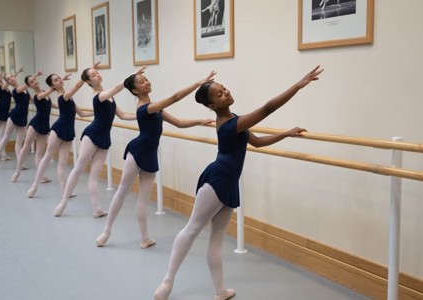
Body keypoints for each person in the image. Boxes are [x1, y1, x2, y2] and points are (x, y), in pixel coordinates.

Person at [154, 65, 324, 300]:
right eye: (219, 93)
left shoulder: (234, 119)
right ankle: (167, 282)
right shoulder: (228, 125)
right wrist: (297, 85)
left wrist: (285, 134)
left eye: (223, 88)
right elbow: (267, 108)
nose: (225, 92)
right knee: (193, 228)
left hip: (230, 183)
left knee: (216, 239)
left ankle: (220, 291)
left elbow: (257, 143)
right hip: (216, 180)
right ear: (212, 105)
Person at [95, 70, 215, 249]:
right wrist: (198, 83)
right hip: (137, 151)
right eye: (141, 82)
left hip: (150, 153)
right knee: (122, 190)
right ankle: (106, 231)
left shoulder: (155, 107)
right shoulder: (145, 108)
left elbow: (178, 123)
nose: (146, 82)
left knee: (143, 198)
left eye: (146, 79)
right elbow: (174, 97)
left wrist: (199, 121)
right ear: (135, 90)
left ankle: (144, 238)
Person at [53, 64, 143, 217]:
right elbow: (116, 88)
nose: (97, 75)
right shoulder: (99, 95)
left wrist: (141, 115)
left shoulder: (109, 97)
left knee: (94, 175)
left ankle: (97, 209)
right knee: (79, 168)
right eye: (93, 75)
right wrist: (131, 78)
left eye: (97, 73)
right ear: (89, 82)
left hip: (104, 138)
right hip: (92, 135)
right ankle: (63, 202)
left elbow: (122, 116)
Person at [26, 71, 94, 198]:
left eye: (59, 78)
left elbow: (82, 114)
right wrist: (85, 77)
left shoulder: (68, 97)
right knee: (47, 157)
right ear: (53, 86)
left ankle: (65, 192)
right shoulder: (63, 96)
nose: (60, 80)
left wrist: (98, 113)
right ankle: (34, 186)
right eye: (56, 80)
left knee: (62, 163)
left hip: (68, 131)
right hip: (58, 129)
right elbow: (77, 87)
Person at [11, 72, 57, 183]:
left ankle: (40, 176)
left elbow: (52, 105)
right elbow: (46, 93)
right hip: (35, 124)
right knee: (26, 146)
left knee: (40, 153)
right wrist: (54, 86)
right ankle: (17, 171)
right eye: (31, 82)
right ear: (30, 86)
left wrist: (66, 107)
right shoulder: (37, 96)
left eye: (35, 80)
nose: (34, 82)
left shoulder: (45, 94)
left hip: (45, 125)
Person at [0, 68, 31, 170]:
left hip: (23, 117)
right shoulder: (16, 90)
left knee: (19, 142)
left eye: (11, 76)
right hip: (14, 115)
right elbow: (28, 83)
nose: (11, 79)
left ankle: (20, 163)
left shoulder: (23, 89)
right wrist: (36, 75)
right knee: (6, 137)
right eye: (8, 79)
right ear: (7, 82)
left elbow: (31, 100)